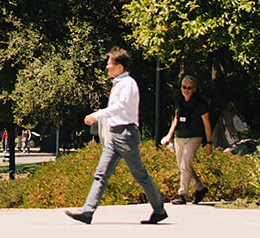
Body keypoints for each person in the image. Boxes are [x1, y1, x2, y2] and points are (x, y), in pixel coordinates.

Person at [65, 48, 168, 226]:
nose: (107, 67)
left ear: (120, 67)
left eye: (110, 64)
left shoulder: (128, 84)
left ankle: (159, 209)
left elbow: (120, 107)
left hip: (126, 134)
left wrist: (97, 115)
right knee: (101, 174)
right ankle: (87, 212)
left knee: (140, 175)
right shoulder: (118, 84)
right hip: (114, 135)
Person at [160, 75, 214, 204]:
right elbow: (176, 119)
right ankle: (200, 189)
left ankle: (182, 194)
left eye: (189, 88)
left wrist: (209, 142)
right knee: (183, 166)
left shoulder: (200, 102)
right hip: (179, 136)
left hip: (194, 137)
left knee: (185, 164)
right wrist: (169, 136)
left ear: (194, 88)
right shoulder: (179, 100)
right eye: (184, 87)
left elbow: (207, 123)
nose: (186, 90)